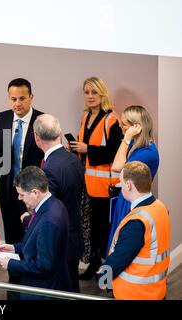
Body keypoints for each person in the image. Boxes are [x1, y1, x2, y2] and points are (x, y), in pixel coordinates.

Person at [0, 78, 44, 288]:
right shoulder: (1, 119)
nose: (17, 103)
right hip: (9, 193)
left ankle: (32, 284)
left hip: (33, 194)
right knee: (12, 239)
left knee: (32, 241)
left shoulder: (42, 120)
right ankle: (15, 284)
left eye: (22, 98)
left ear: (31, 97)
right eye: (13, 99)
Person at [69, 76, 122, 280]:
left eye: (94, 92)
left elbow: (116, 152)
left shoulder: (111, 119)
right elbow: (85, 148)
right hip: (88, 184)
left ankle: (107, 271)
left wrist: (87, 149)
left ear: (102, 94)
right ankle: (93, 264)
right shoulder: (86, 117)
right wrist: (75, 149)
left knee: (104, 230)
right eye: (87, 92)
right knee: (91, 228)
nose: (90, 96)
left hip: (105, 186)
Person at [0, 166, 72, 298]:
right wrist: (14, 248)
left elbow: (43, 266)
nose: (19, 198)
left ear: (35, 192)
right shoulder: (55, 205)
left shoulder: (49, 220)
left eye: (22, 194)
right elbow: (36, 241)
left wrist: (10, 263)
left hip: (43, 291)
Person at [102, 161, 170, 300]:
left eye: (121, 182)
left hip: (134, 294)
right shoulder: (160, 207)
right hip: (156, 291)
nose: (119, 186)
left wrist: (103, 278)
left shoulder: (137, 222)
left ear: (129, 185)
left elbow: (117, 261)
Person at [32, 114, 84, 292]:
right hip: (74, 235)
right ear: (60, 133)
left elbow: (49, 210)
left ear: (37, 137)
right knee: (72, 288)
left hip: (59, 241)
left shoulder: (49, 169)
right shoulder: (74, 159)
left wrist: (27, 218)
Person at [108, 105, 159, 250]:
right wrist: (128, 140)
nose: (121, 127)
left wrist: (127, 137)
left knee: (123, 247)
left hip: (133, 205)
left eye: (123, 125)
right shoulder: (135, 146)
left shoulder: (147, 153)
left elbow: (117, 166)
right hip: (125, 200)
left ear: (136, 127)